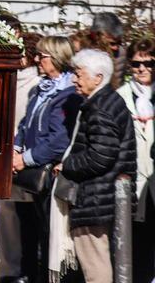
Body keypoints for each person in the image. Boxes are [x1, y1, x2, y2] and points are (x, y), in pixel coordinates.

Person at [53, 48, 137, 283]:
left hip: (95, 198)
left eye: (79, 74)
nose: (74, 79)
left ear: (98, 78)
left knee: (95, 266)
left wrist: (67, 165)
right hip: (103, 197)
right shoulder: (106, 101)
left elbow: (100, 156)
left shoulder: (100, 107)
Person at [0, 33, 69, 283]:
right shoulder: (39, 89)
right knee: (26, 228)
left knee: (47, 235)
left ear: (58, 58)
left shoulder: (67, 92)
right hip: (27, 173)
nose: (37, 59)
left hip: (48, 174)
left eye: (43, 56)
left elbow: (58, 139)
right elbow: (26, 125)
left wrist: (26, 159)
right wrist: (16, 148)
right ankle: (28, 274)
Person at [119, 38, 154, 282]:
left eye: (148, 63)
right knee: (138, 243)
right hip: (134, 182)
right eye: (135, 63)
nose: (142, 69)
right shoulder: (121, 96)